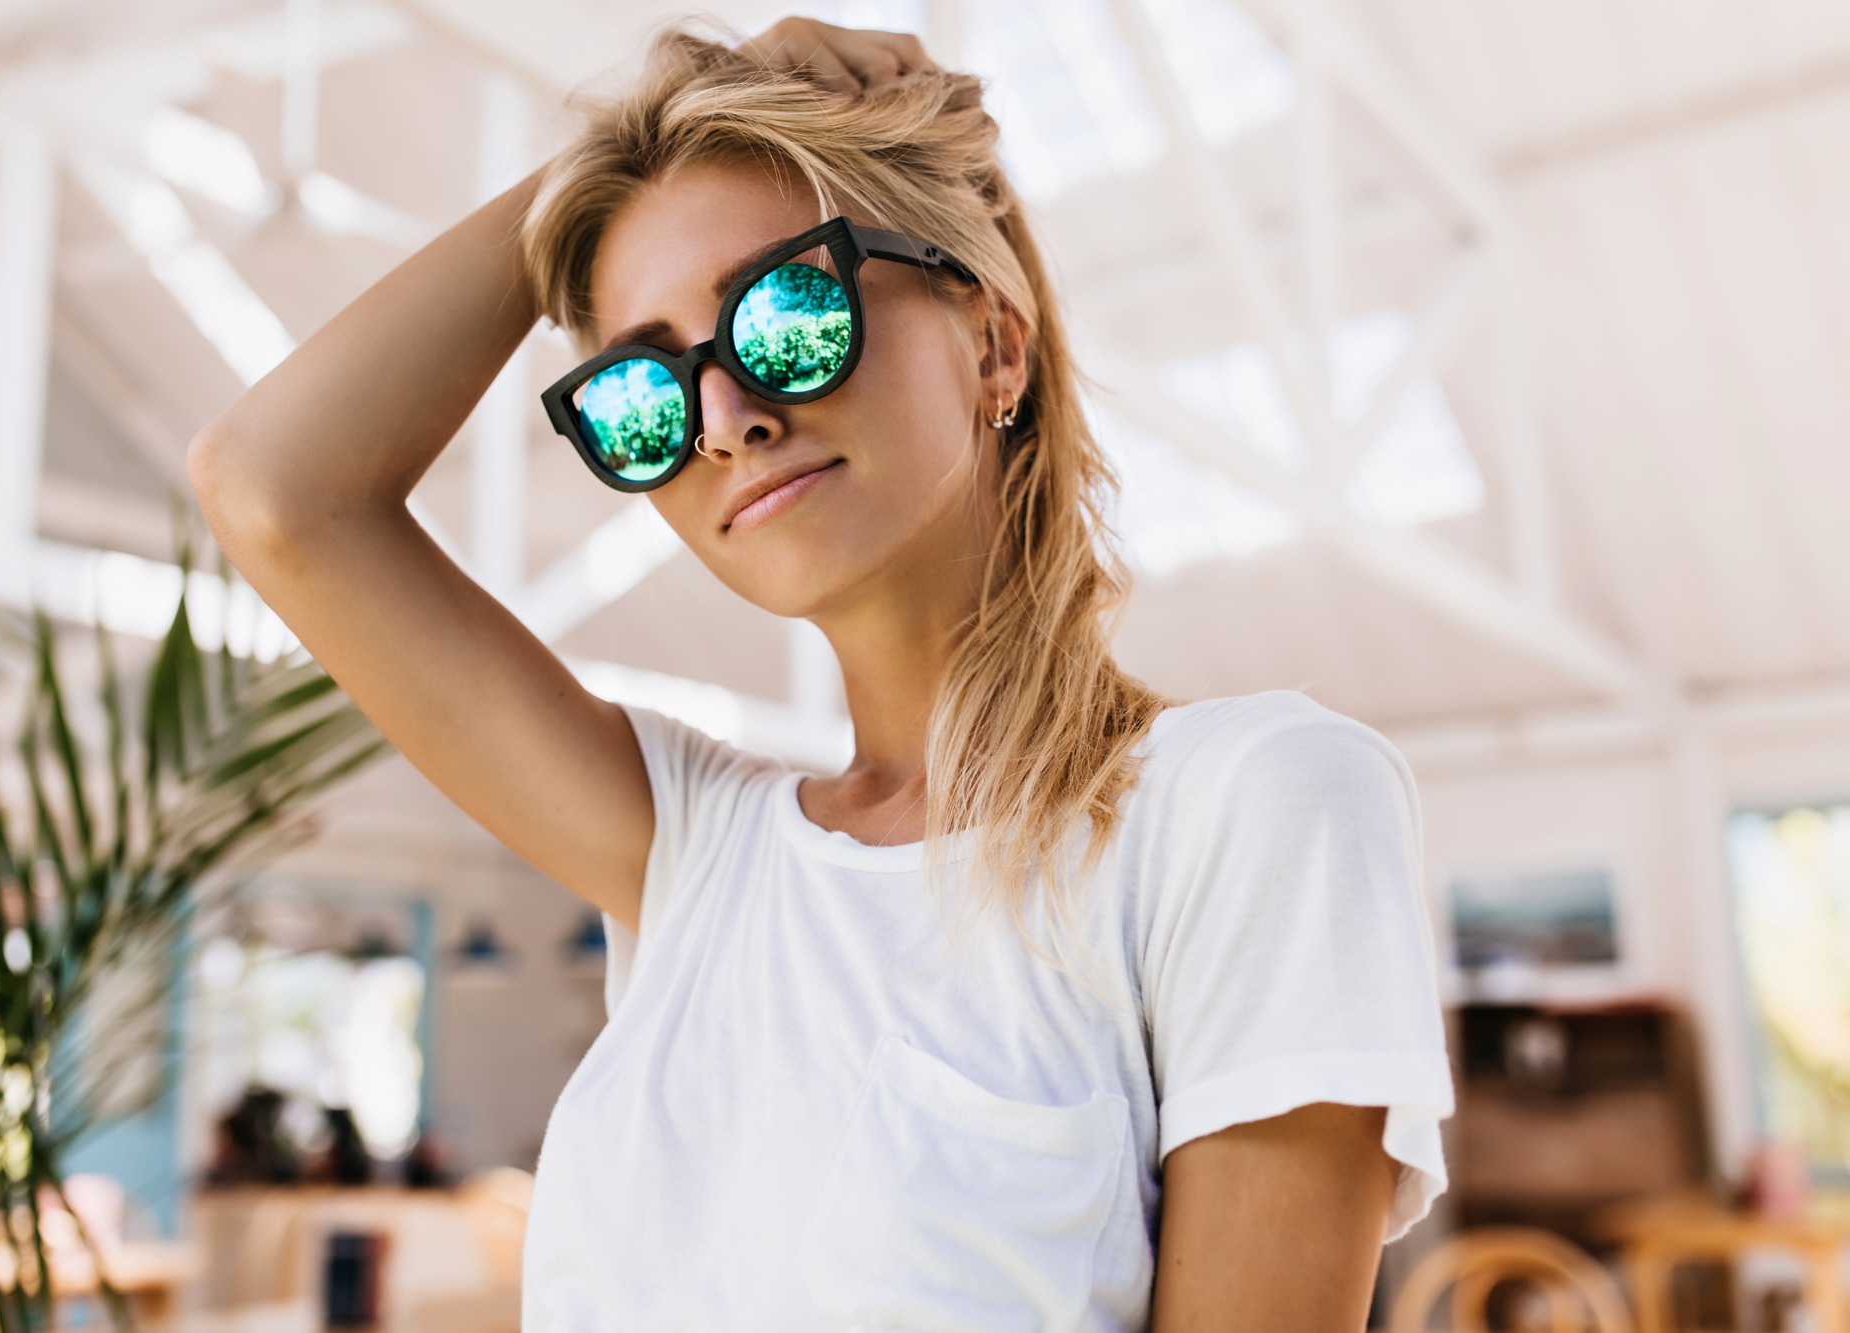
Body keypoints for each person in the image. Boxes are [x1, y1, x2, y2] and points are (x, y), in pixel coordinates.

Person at [189, 17, 1453, 1330]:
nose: (727, 411)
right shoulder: (695, 854)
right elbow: (273, 489)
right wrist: (622, 144)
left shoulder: (1251, 806)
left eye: (787, 311)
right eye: (642, 388)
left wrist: (683, 120)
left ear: (995, 346)